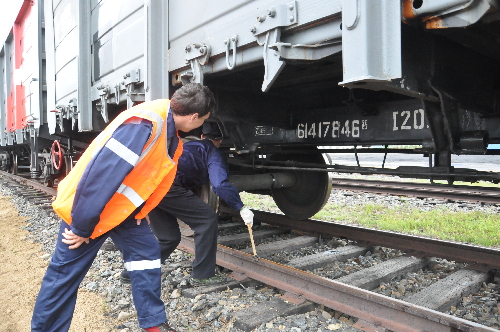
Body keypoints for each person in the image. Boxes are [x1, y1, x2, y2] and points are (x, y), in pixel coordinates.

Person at [31, 83, 215, 332]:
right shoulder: (145, 124)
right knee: (64, 276)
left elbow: (144, 176)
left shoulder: (165, 127)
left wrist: (140, 212)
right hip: (88, 209)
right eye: (202, 120)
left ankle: (153, 323)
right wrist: (82, 227)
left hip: (120, 210)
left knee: (147, 255)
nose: (201, 125)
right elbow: (100, 178)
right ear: (194, 116)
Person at [122, 122, 254, 284]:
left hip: (150, 186)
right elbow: (219, 185)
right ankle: (203, 275)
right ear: (220, 141)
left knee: (168, 238)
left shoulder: (189, 146)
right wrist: (240, 206)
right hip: (168, 187)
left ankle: (132, 272)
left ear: (202, 136)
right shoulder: (213, 152)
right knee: (207, 220)